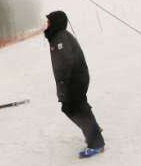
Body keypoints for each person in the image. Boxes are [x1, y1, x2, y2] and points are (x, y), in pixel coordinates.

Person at [44, 10, 105, 158]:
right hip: (76, 78)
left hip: (74, 79)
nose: (46, 25)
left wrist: (64, 85)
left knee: (74, 108)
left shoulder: (60, 39)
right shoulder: (59, 37)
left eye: (49, 22)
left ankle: (96, 142)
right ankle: (93, 129)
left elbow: (66, 63)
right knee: (75, 107)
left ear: (56, 23)